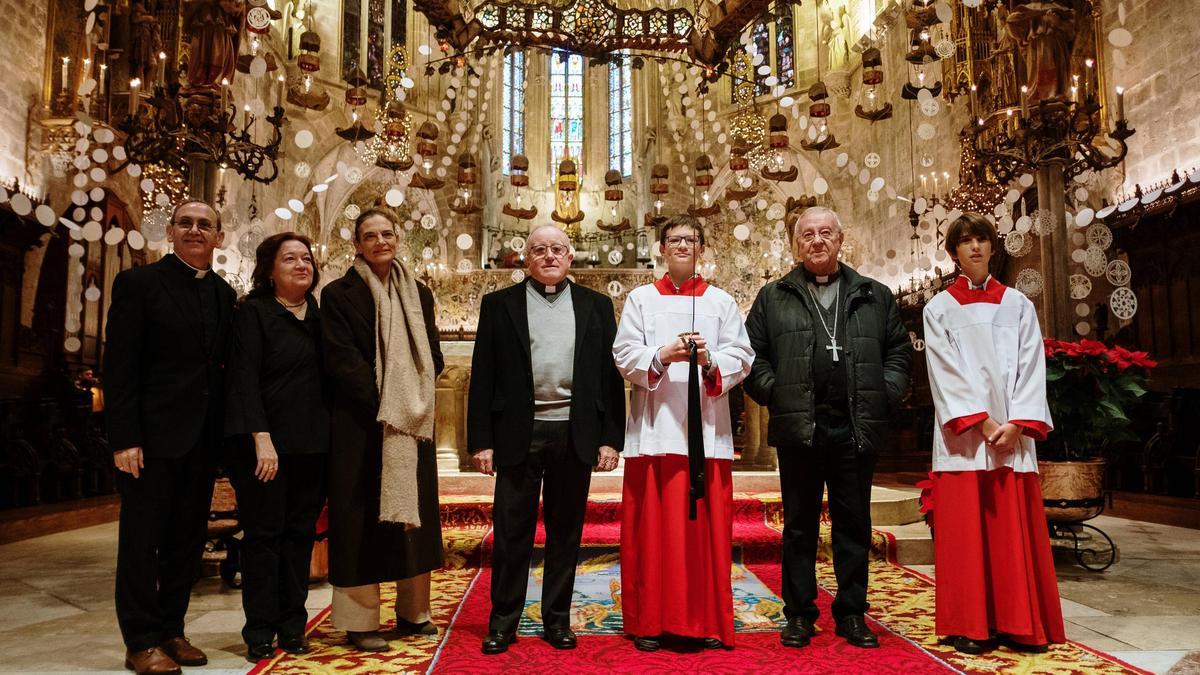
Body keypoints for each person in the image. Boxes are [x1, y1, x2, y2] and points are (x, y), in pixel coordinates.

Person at [744, 206, 912, 651]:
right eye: (807, 235)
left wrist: (884, 392)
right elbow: (751, 356)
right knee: (799, 526)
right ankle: (799, 614)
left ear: (840, 240)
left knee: (853, 524)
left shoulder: (875, 295)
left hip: (855, 426)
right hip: (801, 427)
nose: (816, 241)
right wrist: (777, 393)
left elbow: (899, 353)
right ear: (795, 244)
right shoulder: (773, 296)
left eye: (825, 233)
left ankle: (852, 613)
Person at [468, 224, 625, 655]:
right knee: (511, 533)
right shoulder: (499, 305)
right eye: (540, 250)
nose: (549, 256)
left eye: (558, 249)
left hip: (575, 431)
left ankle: (557, 620)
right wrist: (481, 441)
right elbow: (482, 375)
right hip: (518, 432)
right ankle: (503, 623)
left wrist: (610, 439)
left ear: (571, 257)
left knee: (565, 533)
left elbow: (610, 377)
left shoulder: (596, 305)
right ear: (527, 258)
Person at [922, 213, 1064, 654]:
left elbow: (1031, 365)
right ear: (954, 252)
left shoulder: (1018, 305)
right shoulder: (938, 309)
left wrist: (1018, 422)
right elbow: (943, 372)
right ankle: (971, 625)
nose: (975, 247)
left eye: (982, 239)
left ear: (992, 246)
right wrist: (981, 422)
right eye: (966, 241)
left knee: (1010, 532)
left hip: (1011, 437)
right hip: (964, 439)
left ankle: (1019, 623)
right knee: (965, 535)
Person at [104, 199, 236, 675]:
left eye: (205, 225)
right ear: (171, 232)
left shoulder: (223, 293)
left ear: (219, 237)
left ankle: (172, 630)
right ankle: (140, 640)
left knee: (185, 539)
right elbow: (120, 367)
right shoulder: (139, 283)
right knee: (142, 541)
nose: (195, 230)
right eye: (186, 223)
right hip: (150, 439)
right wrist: (125, 438)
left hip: (201, 440)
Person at [612, 215, 754, 651]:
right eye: (673, 239)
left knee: (704, 533)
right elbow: (623, 353)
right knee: (653, 535)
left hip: (705, 434)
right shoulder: (640, 299)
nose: (681, 246)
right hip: (654, 433)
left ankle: (705, 620)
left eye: (691, 240)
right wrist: (662, 355)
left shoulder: (721, 301)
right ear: (660, 248)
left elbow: (742, 355)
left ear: (702, 249)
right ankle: (650, 621)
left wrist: (710, 361)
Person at [320, 208, 444, 652]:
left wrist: (410, 397)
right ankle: (359, 620)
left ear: (397, 239)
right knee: (357, 521)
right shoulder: (338, 294)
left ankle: (414, 612)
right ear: (357, 244)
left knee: (412, 519)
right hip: (359, 424)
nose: (380, 242)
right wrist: (387, 400)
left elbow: (431, 350)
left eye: (387, 233)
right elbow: (341, 360)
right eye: (369, 236)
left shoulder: (419, 292)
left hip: (409, 423)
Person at [225, 233, 329, 661]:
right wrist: (261, 437)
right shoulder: (254, 313)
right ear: (270, 270)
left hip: (312, 446)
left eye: (306, 258)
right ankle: (259, 630)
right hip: (264, 448)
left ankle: (292, 626)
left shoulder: (320, 317)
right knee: (264, 537)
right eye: (290, 259)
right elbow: (243, 379)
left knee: (300, 536)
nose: (301, 265)